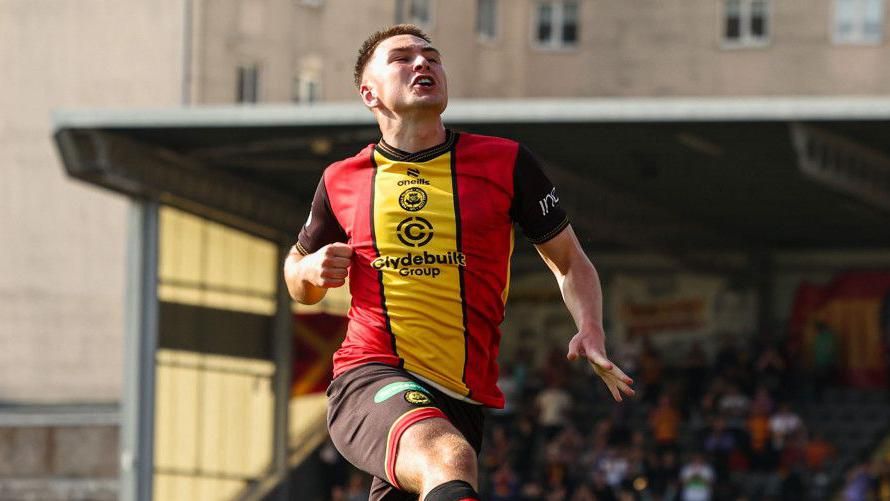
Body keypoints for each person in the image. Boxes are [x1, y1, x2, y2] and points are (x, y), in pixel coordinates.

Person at [282, 24, 635, 501]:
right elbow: (296, 277)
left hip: (462, 398)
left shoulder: (506, 162)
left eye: (432, 56)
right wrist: (309, 270)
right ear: (370, 93)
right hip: (371, 374)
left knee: (446, 467)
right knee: (448, 458)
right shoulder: (341, 178)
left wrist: (590, 326)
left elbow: (570, 262)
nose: (423, 63)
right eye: (402, 58)